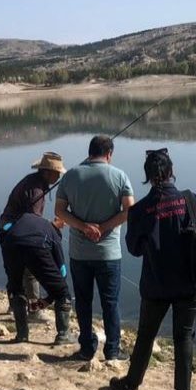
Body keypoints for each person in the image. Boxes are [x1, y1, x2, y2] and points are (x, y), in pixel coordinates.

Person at [111, 149, 196, 390]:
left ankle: (132, 384)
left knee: (146, 335)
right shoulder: (191, 200)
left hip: (155, 284)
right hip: (190, 283)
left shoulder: (140, 210)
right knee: (184, 338)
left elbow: (135, 249)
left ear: (147, 177)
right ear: (171, 171)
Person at [54, 135, 134, 361]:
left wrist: (83, 227)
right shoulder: (119, 176)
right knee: (111, 302)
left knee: (83, 301)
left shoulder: (70, 176)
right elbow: (130, 211)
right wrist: (104, 227)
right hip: (108, 253)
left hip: (79, 254)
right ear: (109, 154)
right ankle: (112, 350)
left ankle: (87, 348)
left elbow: (60, 211)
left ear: (89, 152)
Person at [0, 152, 66, 309]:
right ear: (47, 172)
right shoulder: (36, 190)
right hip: (14, 231)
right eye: (57, 173)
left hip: (8, 230)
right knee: (31, 269)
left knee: (15, 270)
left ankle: (16, 305)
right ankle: (34, 309)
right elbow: (32, 225)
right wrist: (54, 226)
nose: (58, 177)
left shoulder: (34, 181)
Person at [0, 212, 73, 344]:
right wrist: (52, 296)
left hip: (10, 244)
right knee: (62, 292)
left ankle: (22, 335)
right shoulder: (54, 235)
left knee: (16, 289)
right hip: (37, 246)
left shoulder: (26, 217)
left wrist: (5, 242)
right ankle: (63, 335)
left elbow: (4, 229)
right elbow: (61, 269)